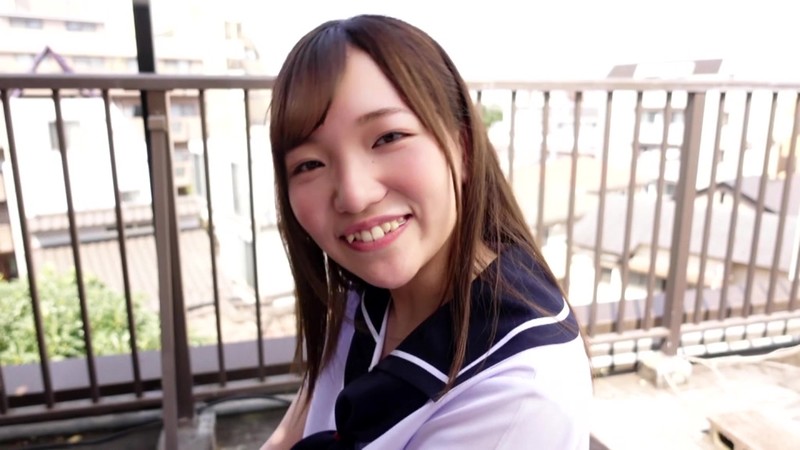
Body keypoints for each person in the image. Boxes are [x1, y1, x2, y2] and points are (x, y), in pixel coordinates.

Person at [260, 14, 592, 450]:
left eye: (388, 137)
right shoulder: (363, 295)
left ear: (463, 148)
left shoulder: (519, 396)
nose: (354, 195)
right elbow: (294, 429)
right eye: (310, 164)